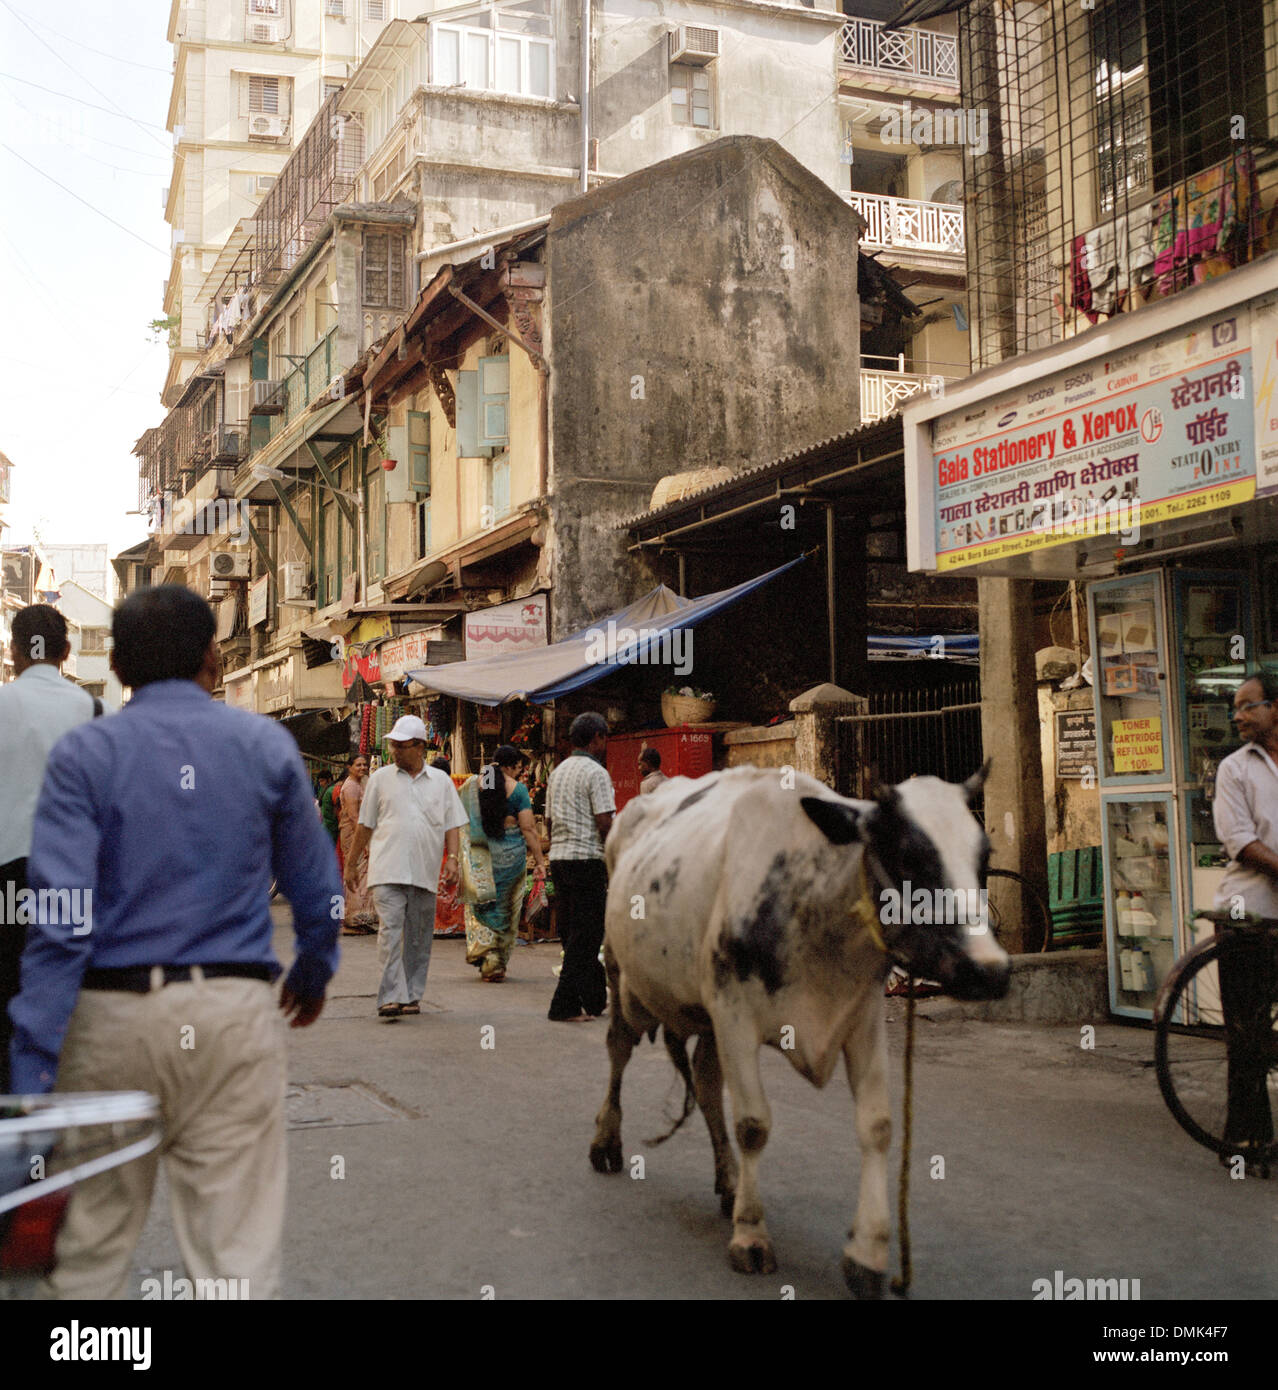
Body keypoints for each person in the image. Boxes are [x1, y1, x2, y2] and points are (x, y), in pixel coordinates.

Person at [8, 585, 341, 1299]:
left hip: (109, 1023)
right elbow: (318, 893)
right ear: (214, 660)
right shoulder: (264, 746)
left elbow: (61, 919)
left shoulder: (84, 755)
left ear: (118, 666)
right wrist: (312, 975)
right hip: (232, 1014)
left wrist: (34, 1057)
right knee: (232, 1259)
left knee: (90, 1248)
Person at [0, 604, 96, 1092]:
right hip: (73, 884)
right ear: (65, 652)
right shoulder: (93, 711)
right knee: (71, 999)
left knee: (7, 996)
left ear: (14, 652)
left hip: (6, 882)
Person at [344, 716, 466, 1019]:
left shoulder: (441, 783)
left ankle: (411, 995)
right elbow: (365, 824)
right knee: (389, 931)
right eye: (393, 746)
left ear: (421, 746)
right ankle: (390, 996)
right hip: (387, 869)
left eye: (402, 746)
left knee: (418, 936)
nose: (396, 751)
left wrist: (453, 858)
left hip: (424, 871)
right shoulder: (380, 780)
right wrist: (351, 863)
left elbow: (452, 824)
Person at [1210, 670, 1278, 1157]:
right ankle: (1248, 1134)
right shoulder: (1234, 768)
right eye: (1236, 706)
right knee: (1246, 1029)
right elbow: (1241, 842)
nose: (1237, 716)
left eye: (1247, 705)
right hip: (1248, 910)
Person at [545, 711, 615, 1022]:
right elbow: (604, 822)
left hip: (560, 859)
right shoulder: (596, 773)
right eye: (605, 737)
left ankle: (594, 998)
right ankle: (564, 1005)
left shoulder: (558, 772)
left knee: (574, 933)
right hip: (586, 859)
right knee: (586, 936)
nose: (605, 743)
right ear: (597, 738)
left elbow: (548, 820)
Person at [462, 744, 548, 982]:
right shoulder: (518, 790)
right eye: (519, 769)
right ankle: (495, 963)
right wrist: (540, 861)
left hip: (480, 859)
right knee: (504, 907)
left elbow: (458, 817)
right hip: (509, 860)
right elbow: (529, 829)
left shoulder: (474, 785)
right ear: (512, 766)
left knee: (483, 905)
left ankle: (483, 952)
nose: (520, 773)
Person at [338, 756, 378, 936]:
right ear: (349, 767)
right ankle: (352, 920)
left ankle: (361, 918)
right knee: (357, 874)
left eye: (364, 764)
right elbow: (354, 817)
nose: (363, 767)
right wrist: (363, 843)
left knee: (364, 875)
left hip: (361, 833)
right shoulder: (351, 786)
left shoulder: (361, 783)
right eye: (358, 765)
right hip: (354, 834)